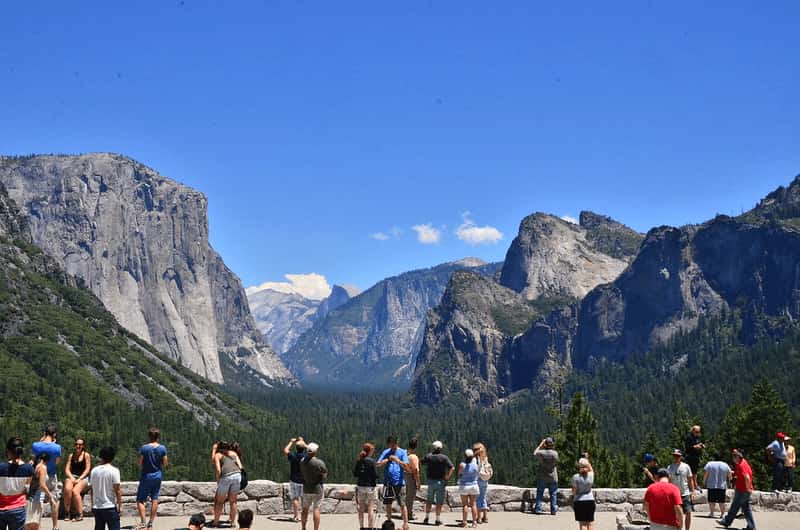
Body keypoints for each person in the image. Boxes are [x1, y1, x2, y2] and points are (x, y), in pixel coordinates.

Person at [136, 428, 168, 530]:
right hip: (157, 475)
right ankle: (150, 524)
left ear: (149, 436)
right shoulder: (162, 448)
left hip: (146, 475)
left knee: (140, 500)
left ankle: (143, 523)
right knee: (155, 499)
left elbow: (139, 463)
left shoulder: (144, 448)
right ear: (158, 437)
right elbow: (165, 463)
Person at [31, 424, 62, 530]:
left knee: (38, 501)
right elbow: (57, 462)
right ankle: (55, 526)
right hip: (51, 475)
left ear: (44, 433)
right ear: (54, 434)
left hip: (39, 476)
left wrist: (40, 440)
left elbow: (33, 459)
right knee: (54, 499)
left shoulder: (35, 445)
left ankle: (37, 525)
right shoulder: (57, 447)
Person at [376, 436, 409, 530]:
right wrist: (387, 460)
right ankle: (389, 522)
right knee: (388, 503)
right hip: (388, 482)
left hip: (399, 482)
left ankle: (405, 523)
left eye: (393, 445)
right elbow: (378, 464)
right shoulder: (386, 452)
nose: (392, 447)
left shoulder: (402, 452)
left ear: (396, 443)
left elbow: (406, 466)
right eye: (390, 445)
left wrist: (397, 460)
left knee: (402, 504)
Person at [0, 437, 33, 530]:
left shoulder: (1, 468)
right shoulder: (28, 469)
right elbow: (27, 489)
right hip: (18, 508)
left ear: (8, 451)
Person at [718, 449, 756, 530]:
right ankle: (751, 527)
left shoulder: (742, 465)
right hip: (743, 490)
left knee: (735, 506)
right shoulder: (742, 462)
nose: (733, 458)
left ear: (738, 457)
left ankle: (727, 521)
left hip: (743, 490)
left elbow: (747, 477)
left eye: (734, 457)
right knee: (746, 509)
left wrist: (747, 488)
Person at [211, 441, 243, 528]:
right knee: (233, 501)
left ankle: (216, 522)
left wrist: (218, 480)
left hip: (226, 477)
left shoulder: (218, 455)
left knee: (219, 501)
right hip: (237, 476)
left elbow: (218, 469)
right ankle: (233, 523)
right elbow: (241, 467)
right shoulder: (234, 453)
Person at [421, 441, 454, 526]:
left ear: (433, 448)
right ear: (441, 448)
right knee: (439, 502)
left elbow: (421, 462)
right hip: (440, 481)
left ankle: (426, 518)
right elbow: (452, 467)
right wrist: (447, 477)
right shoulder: (444, 457)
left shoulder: (429, 456)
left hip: (431, 481)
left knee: (429, 500)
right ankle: (437, 519)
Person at [89, 447, 122, 530]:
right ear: (112, 457)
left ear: (101, 456)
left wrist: (92, 504)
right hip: (110, 506)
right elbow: (117, 490)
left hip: (97, 507)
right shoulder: (114, 471)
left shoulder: (94, 471)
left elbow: (92, 490)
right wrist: (120, 505)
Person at [25, 453, 56, 530]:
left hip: (32, 498)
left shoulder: (37, 466)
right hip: (36, 499)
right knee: (34, 526)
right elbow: (42, 485)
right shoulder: (43, 467)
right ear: (47, 461)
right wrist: (50, 496)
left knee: (31, 525)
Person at [299, 442, 327, 530]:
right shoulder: (319, 463)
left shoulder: (302, 461)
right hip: (317, 488)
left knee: (305, 509)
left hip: (306, 488)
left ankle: (303, 528)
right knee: (316, 509)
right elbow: (325, 475)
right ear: (315, 452)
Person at [63, 438, 91, 522]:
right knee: (67, 489)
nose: (78, 446)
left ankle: (79, 513)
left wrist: (80, 478)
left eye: (80, 444)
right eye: (76, 444)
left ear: (83, 446)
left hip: (83, 477)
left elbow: (87, 469)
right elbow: (67, 469)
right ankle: (67, 512)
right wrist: (71, 477)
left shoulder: (86, 455)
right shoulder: (71, 455)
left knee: (75, 491)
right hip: (72, 476)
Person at [667, 449, 695, 530]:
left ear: (681, 457)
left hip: (685, 493)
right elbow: (668, 481)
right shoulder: (669, 467)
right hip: (674, 494)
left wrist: (693, 491)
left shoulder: (686, 466)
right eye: (674, 456)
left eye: (678, 456)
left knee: (688, 512)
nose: (676, 457)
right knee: (677, 514)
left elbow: (690, 479)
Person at [353, 443, 378, 530]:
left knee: (361, 508)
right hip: (370, 486)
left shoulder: (359, 460)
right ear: (370, 451)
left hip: (361, 486)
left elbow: (355, 474)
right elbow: (375, 474)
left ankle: (361, 527)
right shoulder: (371, 461)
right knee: (370, 508)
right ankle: (370, 527)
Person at [533, 437, 559, 515]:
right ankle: (553, 510)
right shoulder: (555, 453)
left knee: (540, 493)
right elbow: (557, 461)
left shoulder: (541, 453)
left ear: (545, 444)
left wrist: (541, 444)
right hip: (553, 476)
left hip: (542, 476)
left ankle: (538, 509)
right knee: (553, 493)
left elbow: (534, 453)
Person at [283, 437, 306, 523]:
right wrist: (304, 443)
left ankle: (296, 516)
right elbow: (312, 451)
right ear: (303, 448)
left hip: (294, 480)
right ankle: (304, 516)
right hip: (304, 480)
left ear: (296, 448)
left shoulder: (293, 456)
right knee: (304, 499)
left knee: (295, 498)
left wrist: (291, 442)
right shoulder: (306, 457)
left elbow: (285, 450)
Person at [703, 453, 732, 519]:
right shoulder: (725, 465)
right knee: (721, 501)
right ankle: (722, 514)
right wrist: (730, 482)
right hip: (722, 486)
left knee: (711, 501)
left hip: (711, 485)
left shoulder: (709, 464)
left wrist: (704, 482)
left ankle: (712, 513)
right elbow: (730, 475)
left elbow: (705, 474)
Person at [457, 449, 479, 528]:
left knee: (465, 505)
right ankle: (474, 523)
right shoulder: (475, 465)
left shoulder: (462, 465)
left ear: (465, 456)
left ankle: (464, 522)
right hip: (474, 486)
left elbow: (459, 474)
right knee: (473, 504)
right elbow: (477, 474)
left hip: (464, 486)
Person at [571, 457, 595, 530]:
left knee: (582, 524)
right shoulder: (591, 475)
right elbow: (590, 468)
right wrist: (587, 460)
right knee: (590, 523)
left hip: (579, 501)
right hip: (590, 500)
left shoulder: (575, 477)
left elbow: (574, 491)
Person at [473, 443, 491, 524]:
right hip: (485, 479)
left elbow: (475, 469)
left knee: (478, 499)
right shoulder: (485, 458)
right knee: (483, 497)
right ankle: (485, 517)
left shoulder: (476, 459)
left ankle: (479, 518)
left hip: (478, 479)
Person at [404, 438, 420, 521]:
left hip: (406, 475)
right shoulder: (413, 457)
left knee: (407, 496)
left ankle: (405, 512)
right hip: (411, 477)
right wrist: (417, 481)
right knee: (411, 496)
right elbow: (415, 470)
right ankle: (409, 514)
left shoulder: (406, 454)